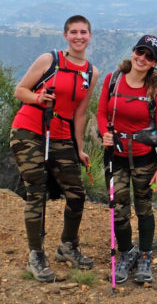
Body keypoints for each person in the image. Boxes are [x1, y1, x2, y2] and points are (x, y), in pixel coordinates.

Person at [10, 15, 96, 282]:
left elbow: (80, 115)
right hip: (29, 130)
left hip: (61, 136)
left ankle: (67, 246)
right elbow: (20, 90)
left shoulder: (91, 73)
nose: (78, 37)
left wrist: (79, 148)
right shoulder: (50, 60)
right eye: (73, 32)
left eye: (83, 32)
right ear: (65, 35)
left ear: (90, 36)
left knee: (77, 193)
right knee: (36, 190)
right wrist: (39, 97)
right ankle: (36, 254)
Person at [97, 35, 157, 285]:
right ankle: (126, 252)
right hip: (115, 158)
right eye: (141, 51)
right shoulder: (112, 80)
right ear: (133, 51)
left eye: (149, 56)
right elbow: (101, 113)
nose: (142, 58)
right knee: (118, 210)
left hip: (144, 160)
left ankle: (146, 255)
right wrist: (105, 133)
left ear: (154, 62)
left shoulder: (156, 90)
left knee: (143, 208)